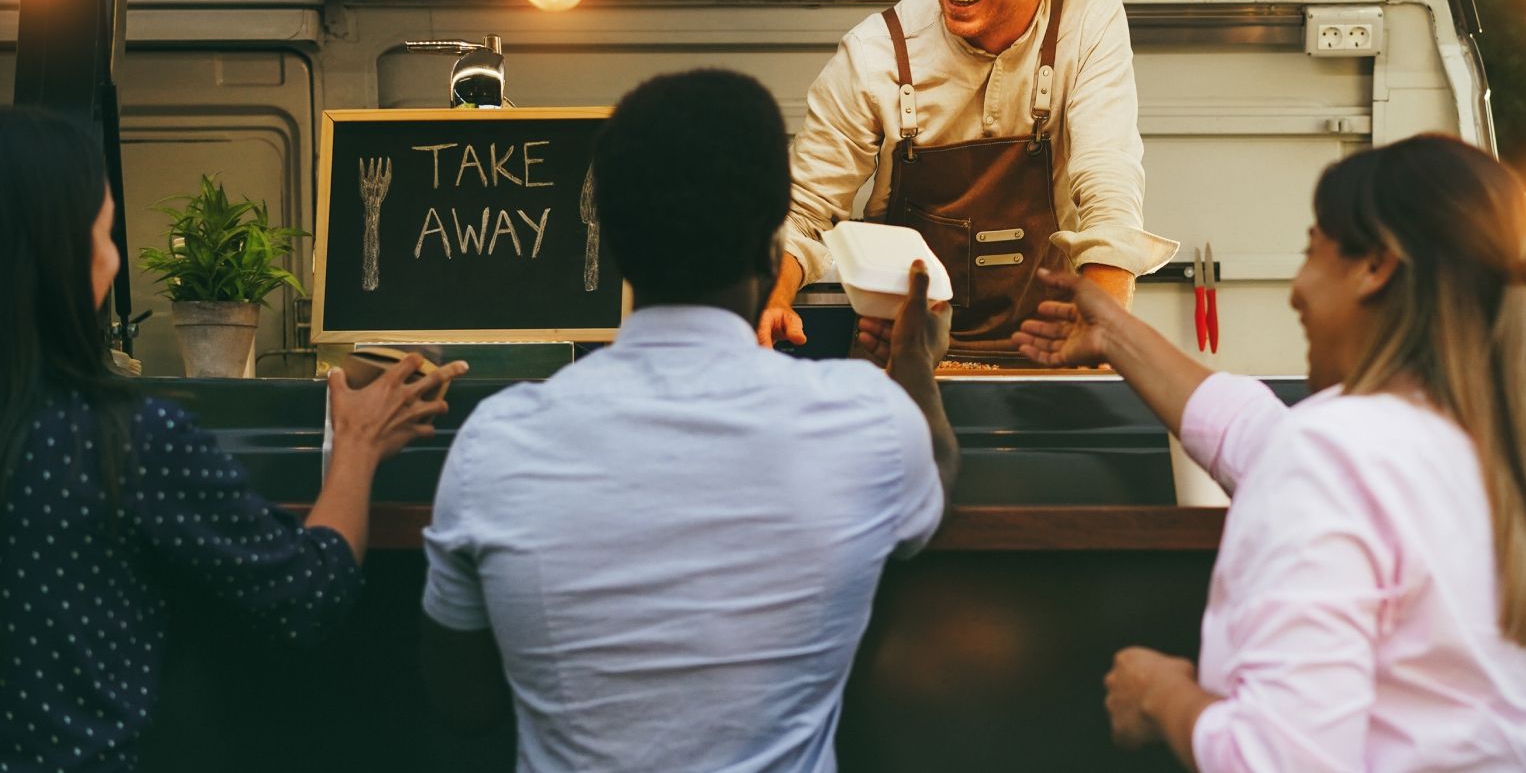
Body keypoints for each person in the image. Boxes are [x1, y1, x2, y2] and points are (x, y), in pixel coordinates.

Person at [418, 69, 958, 773]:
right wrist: (914, 356)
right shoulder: (864, 422)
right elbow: (936, 468)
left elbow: (463, 703)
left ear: (610, 240)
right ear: (772, 245)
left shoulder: (497, 440)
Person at [1013, 134, 1526, 772]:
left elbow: (1282, 761)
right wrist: (1117, 334)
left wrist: (1161, 694)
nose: (1296, 289)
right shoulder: (1480, 442)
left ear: (1375, 267)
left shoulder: (1337, 453)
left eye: (1312, 250)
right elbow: (1255, 438)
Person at [0, 105, 463, 771]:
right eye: (104, 232)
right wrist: (357, 447)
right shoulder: (127, 439)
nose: (114, 256)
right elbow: (308, 592)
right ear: (67, 260)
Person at [760, 0, 1177, 362]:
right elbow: (805, 212)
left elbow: (1107, 178)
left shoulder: (1085, 20)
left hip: (1052, 351)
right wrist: (773, 296)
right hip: (903, 356)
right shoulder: (875, 51)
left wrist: (1103, 321)